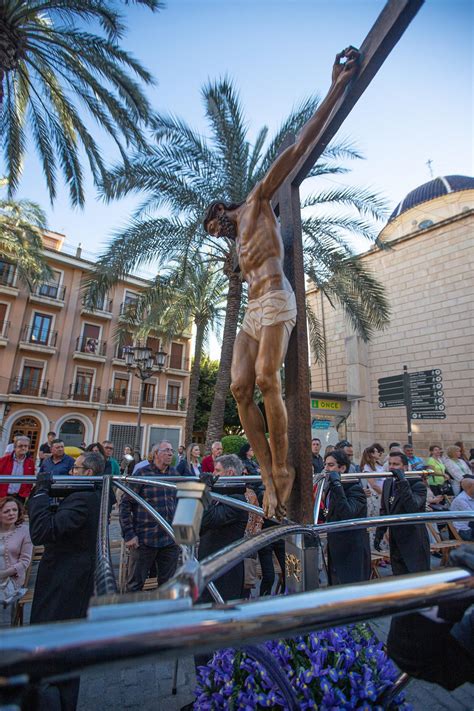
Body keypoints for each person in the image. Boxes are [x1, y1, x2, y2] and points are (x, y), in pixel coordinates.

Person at [203, 47, 360, 519]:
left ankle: (285, 468)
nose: (218, 234)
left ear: (221, 210)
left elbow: (293, 152)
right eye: (214, 234)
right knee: (237, 388)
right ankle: (269, 471)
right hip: (253, 311)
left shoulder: (255, 201)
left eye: (215, 226)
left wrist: (334, 87)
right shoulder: (236, 248)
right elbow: (239, 264)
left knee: (269, 378)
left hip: (277, 298)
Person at [29, 451, 104, 710]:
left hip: (64, 583)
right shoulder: (92, 495)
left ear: (88, 474)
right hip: (73, 580)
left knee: (51, 651)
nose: (71, 473)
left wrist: (39, 493)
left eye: (76, 469)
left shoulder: (83, 499)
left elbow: (42, 532)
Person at [119, 441, 179, 591]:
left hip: (169, 539)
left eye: (171, 450)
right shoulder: (142, 474)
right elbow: (125, 504)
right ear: (156, 454)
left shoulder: (174, 474)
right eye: (166, 450)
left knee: (168, 584)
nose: (171, 453)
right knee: (134, 584)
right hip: (145, 538)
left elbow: (183, 501)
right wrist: (129, 534)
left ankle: (162, 613)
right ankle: (133, 613)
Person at [198, 454, 249, 601]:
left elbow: (208, 518)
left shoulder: (238, 500)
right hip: (211, 565)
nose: (213, 474)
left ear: (230, 473)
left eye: (217, 471)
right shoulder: (221, 494)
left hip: (225, 572)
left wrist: (205, 489)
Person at [375, 451, 430, 575]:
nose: (392, 467)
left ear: (405, 467)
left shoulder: (417, 484)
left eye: (396, 464)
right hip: (395, 540)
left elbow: (413, 507)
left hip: (413, 539)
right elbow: (385, 509)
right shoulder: (388, 483)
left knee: (417, 577)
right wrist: (380, 532)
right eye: (390, 464)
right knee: (399, 577)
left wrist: (402, 481)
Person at [324, 449, 370, 585]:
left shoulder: (354, 489)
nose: (326, 469)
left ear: (342, 468)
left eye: (330, 465)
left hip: (352, 550)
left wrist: (337, 485)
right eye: (325, 465)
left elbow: (347, 513)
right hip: (335, 546)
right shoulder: (329, 488)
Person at [0, 496, 32, 624]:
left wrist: (4, 574)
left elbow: (25, 561)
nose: (11, 513)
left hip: (12, 579)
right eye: (7, 511)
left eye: (14, 510)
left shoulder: (24, 531)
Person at [0, 436, 35, 502]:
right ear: (15, 447)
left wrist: (26, 492)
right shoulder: (3, 460)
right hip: (3, 496)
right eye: (20, 446)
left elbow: (30, 480)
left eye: (26, 446)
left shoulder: (31, 463)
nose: (23, 448)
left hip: (20, 497)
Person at [449, 476, 474, 541]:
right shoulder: (460, 500)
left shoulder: (471, 496)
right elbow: (471, 516)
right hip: (465, 530)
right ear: (470, 487)